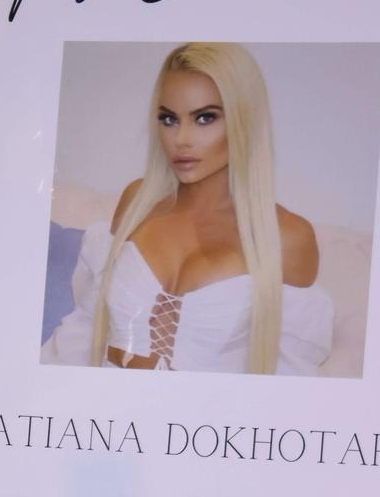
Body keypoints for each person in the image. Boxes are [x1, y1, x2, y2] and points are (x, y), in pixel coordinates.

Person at [41, 43, 332, 375]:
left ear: (244, 120)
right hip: (104, 415)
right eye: (168, 119)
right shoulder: (138, 202)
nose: (181, 139)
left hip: (203, 425)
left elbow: (289, 383)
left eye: (205, 118)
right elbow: (86, 327)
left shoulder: (288, 237)